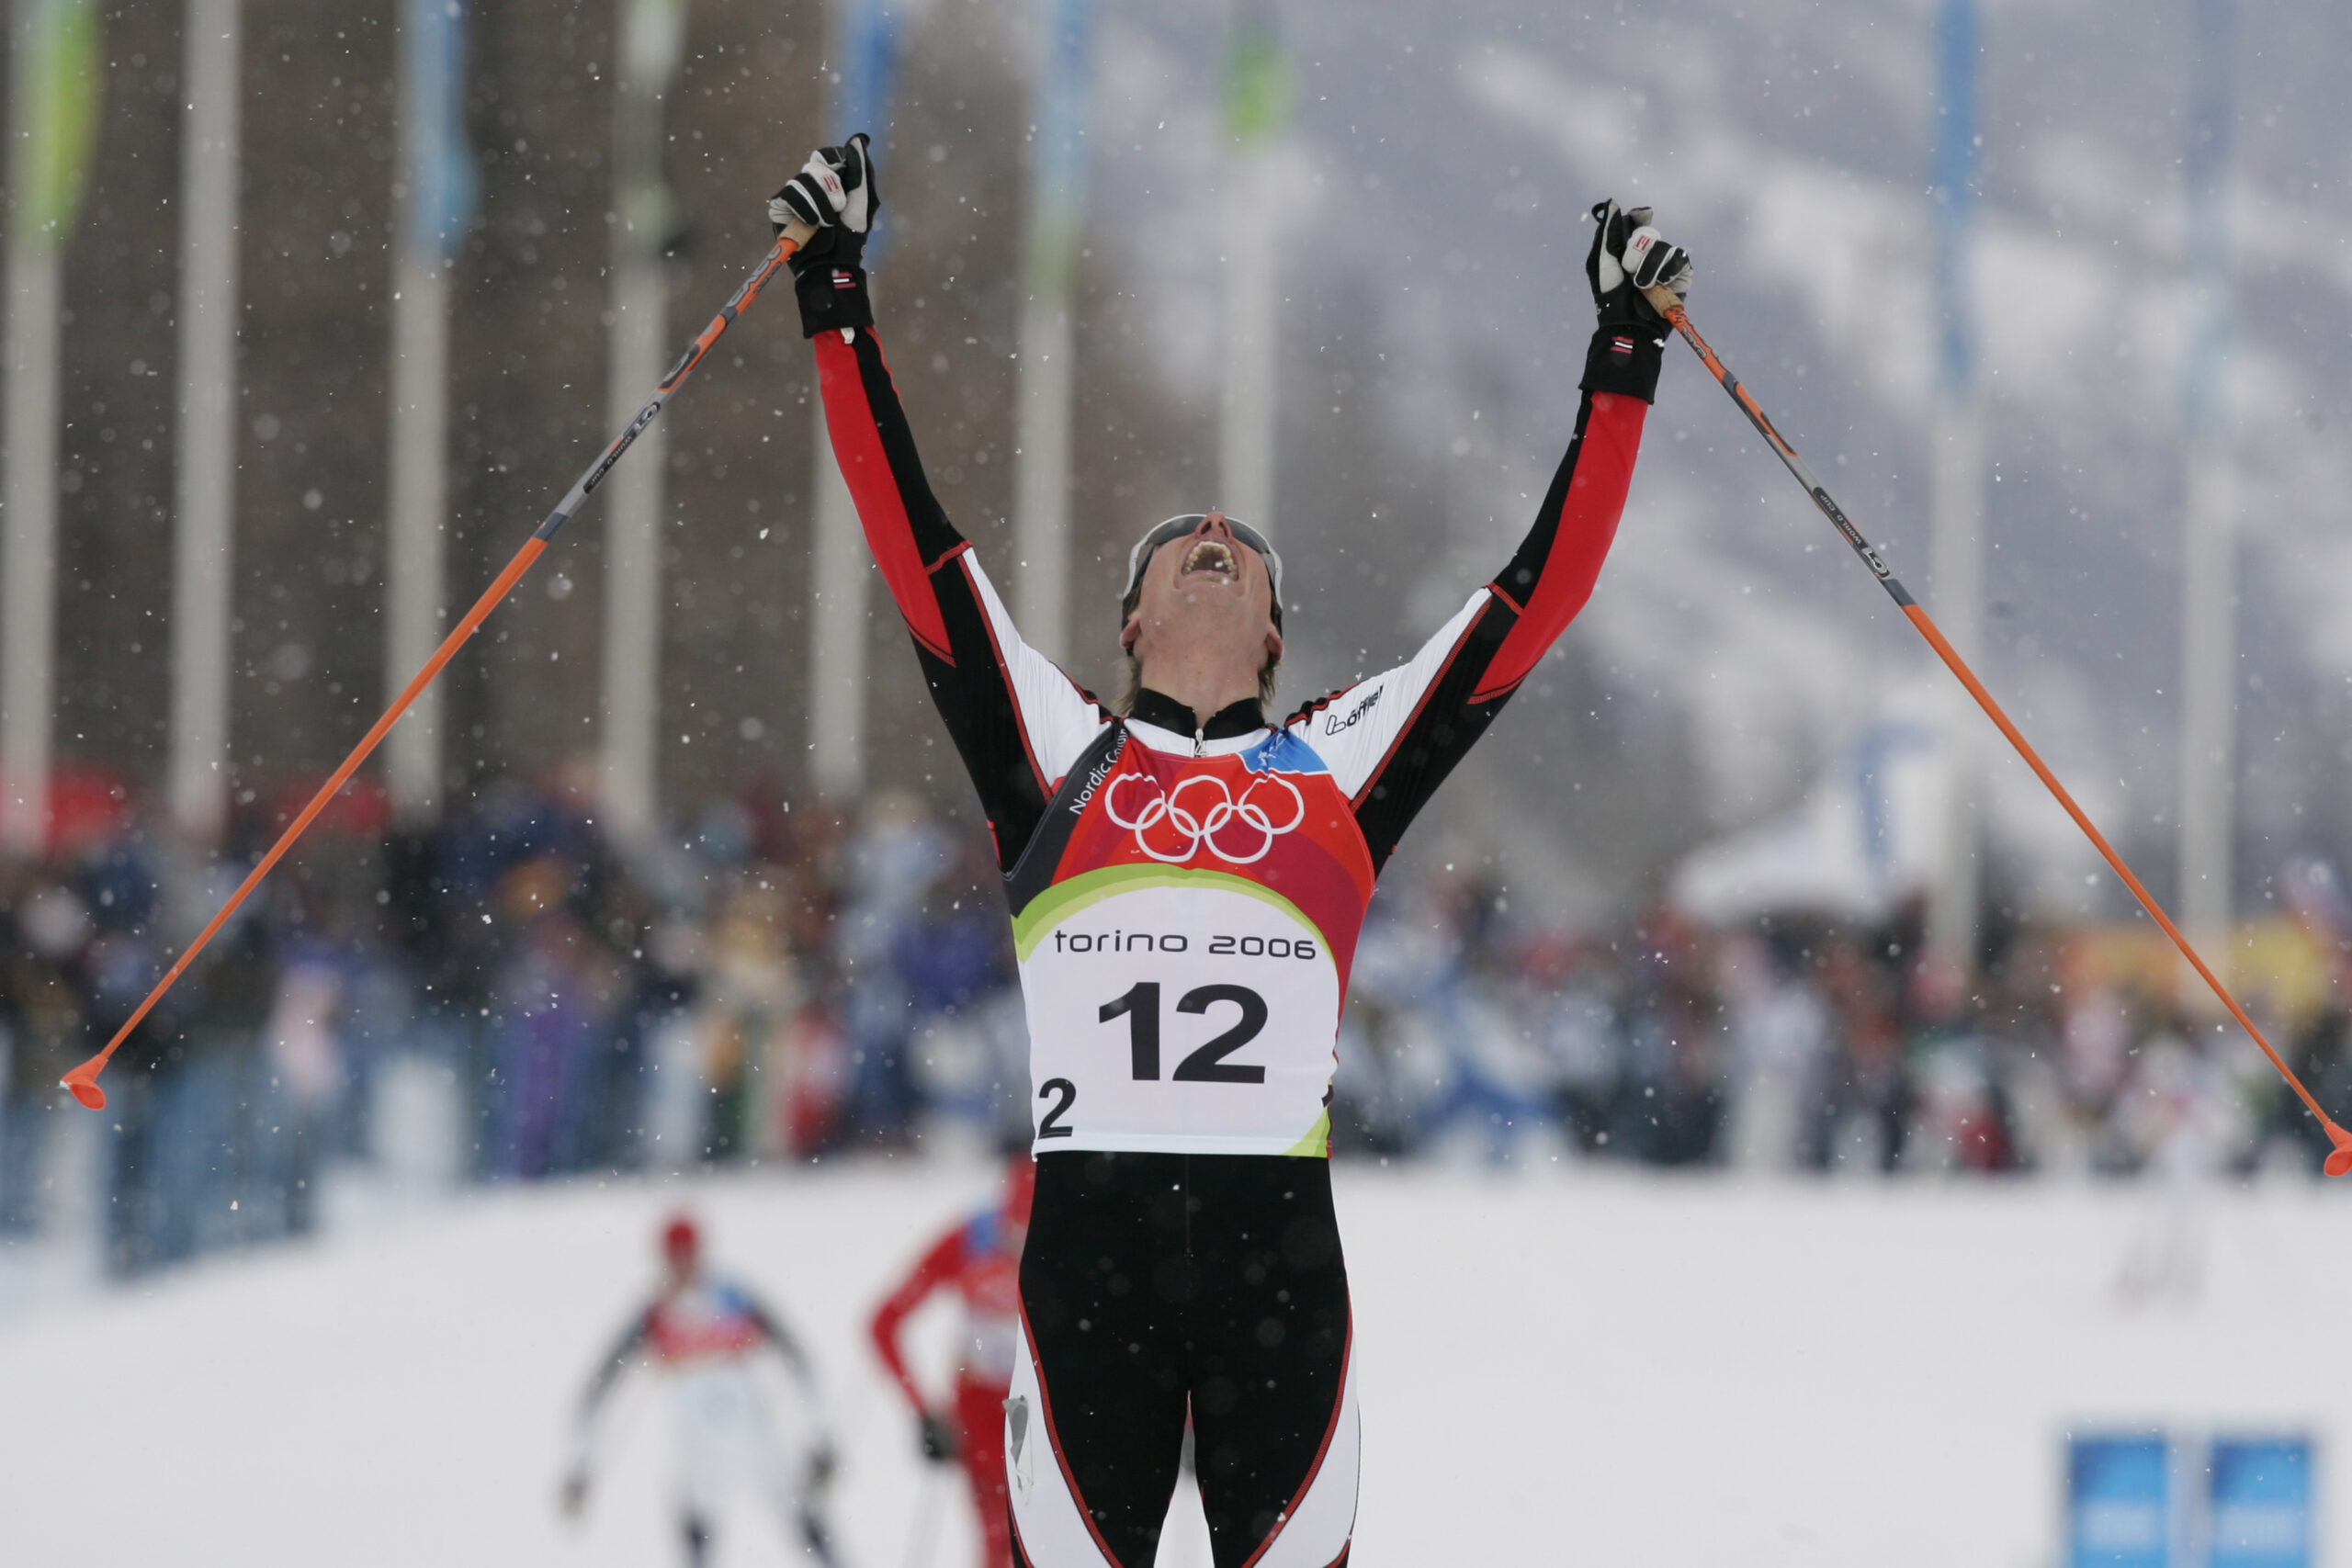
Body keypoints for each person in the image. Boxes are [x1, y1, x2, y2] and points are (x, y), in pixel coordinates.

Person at [771, 136, 1688, 1568]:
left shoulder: (1336, 758)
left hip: (1280, 1261)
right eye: (1177, 538)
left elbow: (1533, 596)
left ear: (1275, 630)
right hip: (1090, 1260)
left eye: (1242, 542)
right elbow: (915, 537)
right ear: (1128, 621)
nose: (1212, 530)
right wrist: (834, 292)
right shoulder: (1057, 746)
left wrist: (1623, 352)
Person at [560, 1213, 840, 1567]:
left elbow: (795, 1358)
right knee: (695, 1517)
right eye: (674, 1258)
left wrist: (819, 1436)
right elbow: (603, 1386)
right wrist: (580, 1467)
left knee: (799, 1514)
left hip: (752, 1430)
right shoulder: (655, 1311)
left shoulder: (733, 1294)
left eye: (688, 1255)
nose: (682, 1266)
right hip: (696, 1441)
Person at [869, 1156, 1036, 1568]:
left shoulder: (1074, 1248)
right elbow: (884, 1323)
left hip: (1049, 1412)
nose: (1017, 1245)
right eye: (1011, 1232)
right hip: (983, 1409)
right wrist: (924, 1412)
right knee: (1002, 1545)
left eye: (1028, 1235)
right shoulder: (969, 1239)